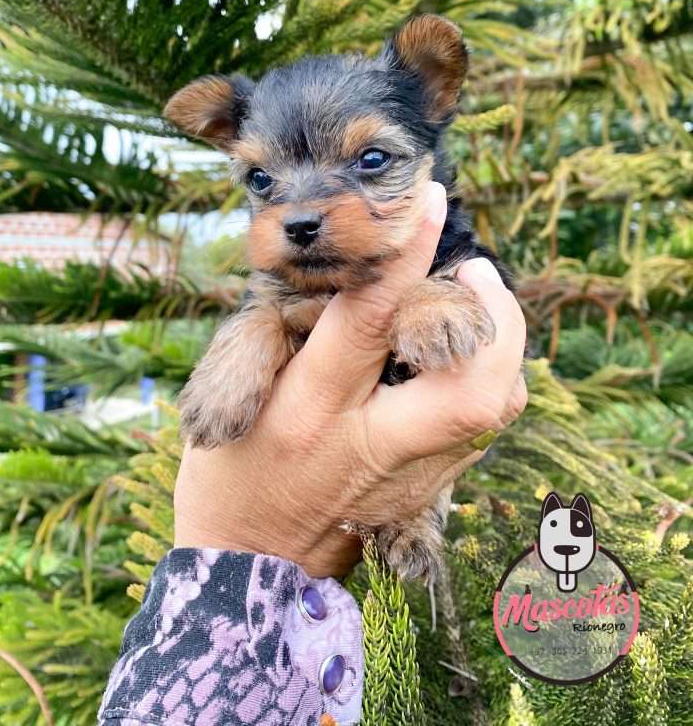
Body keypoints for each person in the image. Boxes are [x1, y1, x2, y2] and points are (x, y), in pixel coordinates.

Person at [98, 183, 527, 726]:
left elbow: (475, 366)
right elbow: (275, 319)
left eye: (370, 163)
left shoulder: (450, 259)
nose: (302, 206)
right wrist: (253, 340)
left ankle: (416, 515)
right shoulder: (286, 282)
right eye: (263, 180)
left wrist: (428, 298)